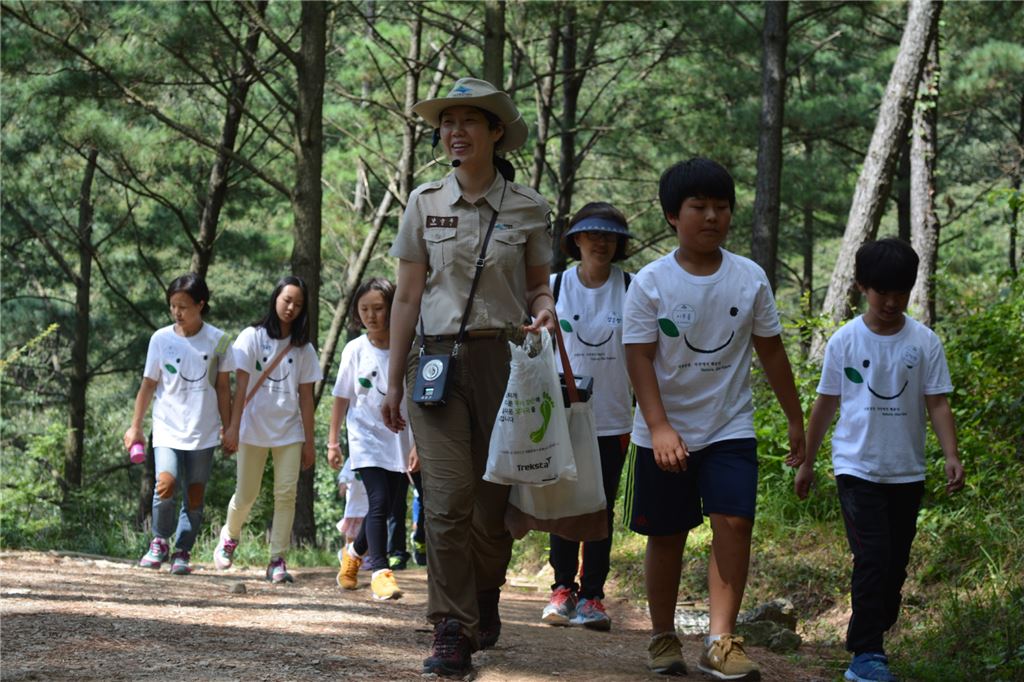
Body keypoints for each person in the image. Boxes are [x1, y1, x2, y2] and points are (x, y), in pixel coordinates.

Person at [381, 77, 557, 676]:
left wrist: (544, 310)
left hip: (507, 365)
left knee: (491, 506)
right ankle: (452, 626)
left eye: (469, 122)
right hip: (434, 361)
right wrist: (392, 381)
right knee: (448, 498)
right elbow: (406, 297)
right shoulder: (423, 202)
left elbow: (538, 286)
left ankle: (485, 595)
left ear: (495, 132)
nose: (454, 132)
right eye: (447, 122)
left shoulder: (529, 206)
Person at [622, 158, 805, 678]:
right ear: (671, 217)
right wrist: (658, 426)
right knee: (668, 534)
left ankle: (720, 640)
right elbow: (637, 356)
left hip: (730, 425)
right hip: (663, 429)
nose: (711, 217)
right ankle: (662, 637)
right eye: (698, 207)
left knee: (735, 520)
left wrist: (796, 419)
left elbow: (771, 351)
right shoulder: (652, 282)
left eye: (721, 207)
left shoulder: (749, 277)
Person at [795, 238, 965, 682]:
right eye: (880, 292)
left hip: (906, 471)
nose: (890, 302)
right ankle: (866, 654)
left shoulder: (924, 341)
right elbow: (826, 404)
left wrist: (951, 455)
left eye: (900, 292)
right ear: (861, 287)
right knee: (872, 557)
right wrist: (808, 462)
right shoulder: (845, 341)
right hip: (857, 468)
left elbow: (938, 403)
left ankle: (876, 625)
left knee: (894, 566)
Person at [540, 202, 634, 631]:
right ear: (575, 240)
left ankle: (593, 595)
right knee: (563, 498)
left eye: (610, 236)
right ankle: (562, 588)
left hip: (613, 416)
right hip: (560, 415)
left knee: (600, 504)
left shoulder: (633, 287)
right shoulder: (554, 287)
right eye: (593, 234)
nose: (602, 242)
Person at [125, 273, 234, 575]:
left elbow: (224, 389)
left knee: (196, 493)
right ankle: (159, 540)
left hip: (203, 430)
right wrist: (135, 426)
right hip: (167, 428)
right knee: (166, 483)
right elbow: (148, 385)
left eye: (183, 306)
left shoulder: (220, 340)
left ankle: (183, 549)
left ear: (201, 304)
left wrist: (230, 427)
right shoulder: (160, 339)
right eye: (173, 306)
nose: (177, 312)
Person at [215, 275, 321, 584]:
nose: (291, 308)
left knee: (286, 494)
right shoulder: (251, 337)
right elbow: (241, 386)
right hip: (253, 427)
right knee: (247, 494)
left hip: (290, 430)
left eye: (298, 304)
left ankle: (277, 559)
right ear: (275, 298)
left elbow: (306, 398)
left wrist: (310, 442)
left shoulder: (305, 350)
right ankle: (229, 536)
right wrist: (232, 428)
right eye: (287, 300)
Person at [332, 277, 415, 601]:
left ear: (393, 308)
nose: (371, 315)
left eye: (378, 308)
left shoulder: (408, 346)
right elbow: (341, 396)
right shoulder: (354, 349)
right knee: (378, 501)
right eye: (364, 309)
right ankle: (380, 571)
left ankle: (353, 553)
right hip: (364, 436)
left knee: (392, 504)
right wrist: (333, 442)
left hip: (399, 436)